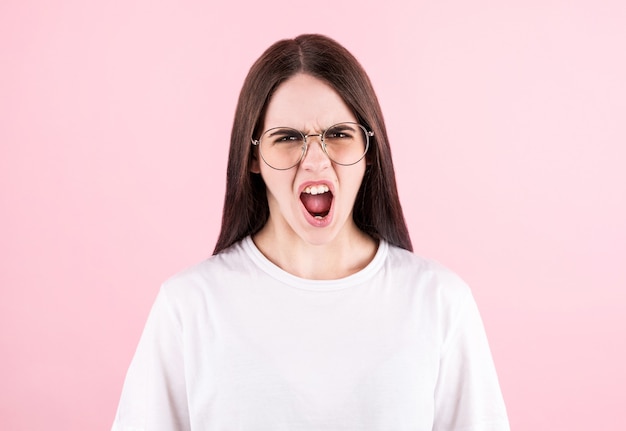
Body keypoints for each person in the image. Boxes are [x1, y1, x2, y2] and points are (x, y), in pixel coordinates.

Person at [112, 34, 510, 430]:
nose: (316, 161)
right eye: (288, 138)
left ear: (369, 151)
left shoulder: (440, 302)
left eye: (338, 134)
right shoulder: (188, 307)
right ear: (253, 156)